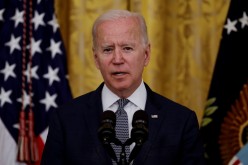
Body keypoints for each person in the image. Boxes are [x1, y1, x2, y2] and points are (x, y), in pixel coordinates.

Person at [41, 9, 205, 165]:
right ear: (96, 59)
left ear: (146, 55)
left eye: (127, 48)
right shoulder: (65, 119)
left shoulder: (181, 121)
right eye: (108, 49)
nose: (117, 59)